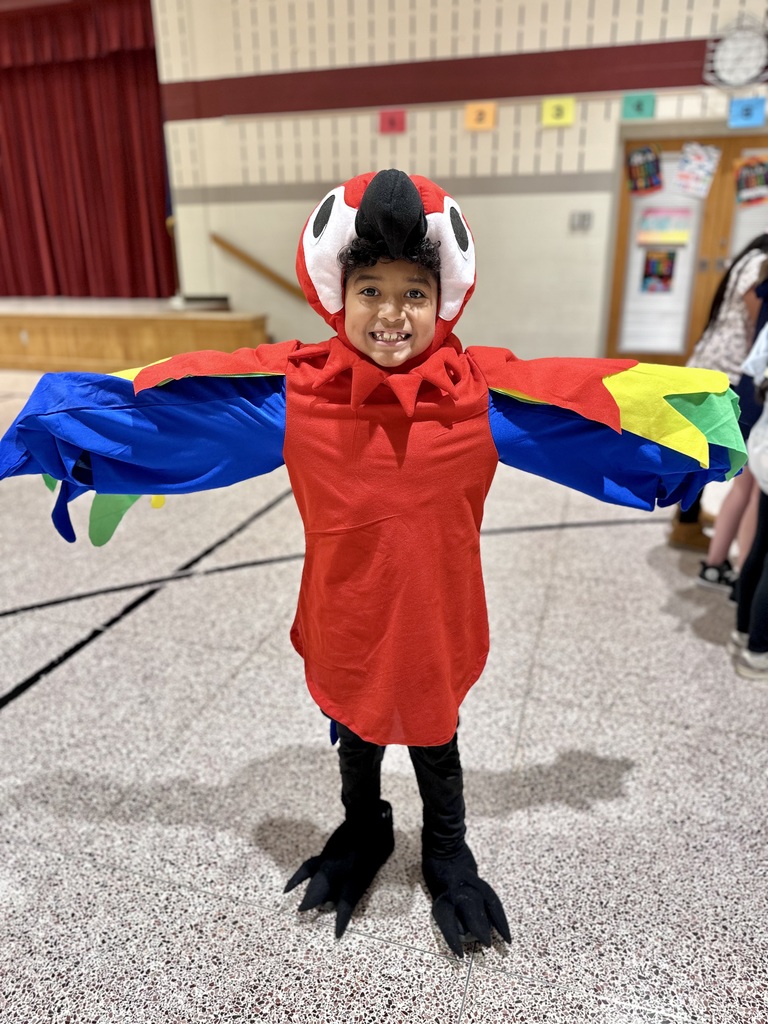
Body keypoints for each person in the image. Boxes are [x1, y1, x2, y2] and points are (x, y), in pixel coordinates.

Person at [0, 170, 747, 955]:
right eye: (371, 291)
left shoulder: (479, 399)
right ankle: (366, 828)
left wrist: (703, 427)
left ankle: (446, 850)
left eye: (414, 293)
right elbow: (184, 405)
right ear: (338, 295)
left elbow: (583, 406)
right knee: (355, 729)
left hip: (435, 626)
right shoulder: (297, 397)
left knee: (434, 737)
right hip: (345, 618)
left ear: (442, 300)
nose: (392, 315)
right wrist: (73, 431)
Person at [670, 236, 768, 576]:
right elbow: (757, 322)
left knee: (699, 448)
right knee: (704, 451)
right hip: (725, 369)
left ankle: (688, 517)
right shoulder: (760, 264)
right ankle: (686, 521)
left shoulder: (746, 259)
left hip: (708, 360)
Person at [730, 325, 768, 677]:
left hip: (763, 444)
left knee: (761, 545)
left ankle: (743, 632)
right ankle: (759, 650)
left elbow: (755, 368)